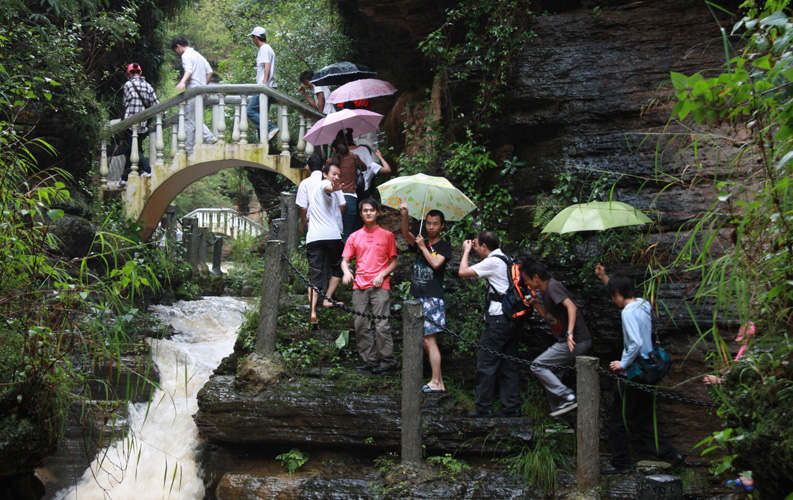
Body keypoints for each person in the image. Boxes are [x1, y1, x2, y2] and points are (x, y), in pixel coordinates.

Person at [595, 264, 683, 474]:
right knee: (644, 417)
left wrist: (622, 364)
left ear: (617, 294)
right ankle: (671, 455)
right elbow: (621, 294)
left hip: (634, 373)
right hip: (649, 370)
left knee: (619, 419)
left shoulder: (627, 313)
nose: (613, 301)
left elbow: (634, 343)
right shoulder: (643, 304)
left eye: (612, 296)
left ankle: (621, 464)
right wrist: (605, 278)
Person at [458, 231, 520, 418]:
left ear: (485, 246)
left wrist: (466, 250)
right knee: (508, 364)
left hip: (497, 320)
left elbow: (463, 272)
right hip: (512, 320)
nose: (476, 249)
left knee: (486, 363)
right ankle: (512, 408)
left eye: (476, 246)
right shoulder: (507, 259)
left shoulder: (493, 261)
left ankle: (483, 407)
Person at [521, 257, 592, 417]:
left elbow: (571, 308)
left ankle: (568, 396)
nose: (526, 284)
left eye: (526, 280)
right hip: (572, 341)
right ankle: (560, 415)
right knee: (552, 375)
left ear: (536, 277)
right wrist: (535, 304)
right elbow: (550, 318)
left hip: (576, 341)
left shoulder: (553, 287)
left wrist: (569, 333)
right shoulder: (546, 291)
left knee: (537, 366)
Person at [341, 198, 399, 374]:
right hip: (359, 286)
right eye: (365, 210)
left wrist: (382, 274)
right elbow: (345, 261)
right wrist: (346, 272)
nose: (368, 213)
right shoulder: (354, 236)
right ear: (361, 214)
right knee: (361, 324)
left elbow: (394, 262)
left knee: (381, 325)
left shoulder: (387, 235)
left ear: (378, 213)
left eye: (372, 210)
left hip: (380, 286)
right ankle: (370, 361)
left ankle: (388, 361)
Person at [400, 202, 452, 393]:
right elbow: (406, 234)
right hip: (418, 297)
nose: (431, 227)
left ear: (442, 226)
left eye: (435, 224)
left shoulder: (443, 246)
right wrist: (404, 215)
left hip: (433, 297)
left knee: (430, 340)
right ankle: (437, 381)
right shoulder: (422, 241)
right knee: (423, 340)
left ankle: (437, 381)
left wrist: (423, 247)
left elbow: (436, 263)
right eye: (428, 223)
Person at [296, 153, 346, 323]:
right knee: (338, 268)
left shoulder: (319, 185)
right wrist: (336, 185)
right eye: (334, 174)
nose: (336, 177)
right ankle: (327, 299)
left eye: (339, 175)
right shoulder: (324, 184)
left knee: (315, 274)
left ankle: (313, 312)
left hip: (316, 237)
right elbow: (329, 188)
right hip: (331, 237)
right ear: (325, 174)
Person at [171, 37, 217, 154]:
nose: (177, 53)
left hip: (194, 92)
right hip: (202, 92)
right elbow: (210, 71)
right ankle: (205, 141)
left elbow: (189, 70)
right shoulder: (198, 55)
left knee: (190, 120)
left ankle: (192, 149)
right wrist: (203, 85)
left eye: (175, 50)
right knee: (195, 118)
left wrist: (182, 82)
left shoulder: (186, 55)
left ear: (178, 46)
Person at [120, 63, 158, 184]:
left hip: (130, 123)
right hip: (142, 124)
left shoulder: (128, 85)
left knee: (133, 149)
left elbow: (125, 103)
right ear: (140, 73)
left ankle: (148, 169)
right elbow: (156, 104)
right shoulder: (148, 86)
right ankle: (124, 178)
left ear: (129, 73)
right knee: (131, 149)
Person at [246, 26, 279, 141]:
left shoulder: (264, 49)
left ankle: (270, 128)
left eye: (252, 38)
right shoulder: (269, 48)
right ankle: (263, 142)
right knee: (261, 115)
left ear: (255, 38)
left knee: (250, 111)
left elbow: (267, 65)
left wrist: (264, 83)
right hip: (271, 86)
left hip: (264, 86)